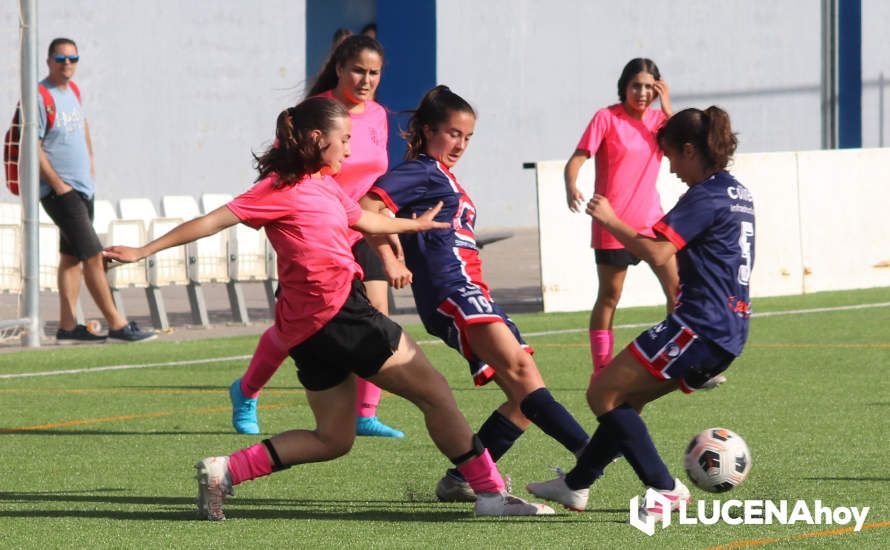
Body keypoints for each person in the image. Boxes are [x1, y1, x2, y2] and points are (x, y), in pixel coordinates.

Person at [103, 97, 554, 519]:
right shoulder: (277, 189)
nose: (350, 150)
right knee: (434, 392)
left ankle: (227, 471)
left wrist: (414, 224)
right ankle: (491, 493)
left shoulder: (326, 185)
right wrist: (144, 251)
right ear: (319, 139)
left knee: (333, 438)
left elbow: (367, 219)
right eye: (345, 141)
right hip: (341, 315)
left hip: (306, 331)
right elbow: (211, 221)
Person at [362, 85, 590, 503]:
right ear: (428, 130)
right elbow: (367, 207)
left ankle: (462, 479)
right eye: (453, 133)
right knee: (522, 375)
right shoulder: (423, 170)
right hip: (454, 292)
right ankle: (593, 457)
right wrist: (390, 260)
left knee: (525, 400)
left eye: (467, 137)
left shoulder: (442, 176)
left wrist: (400, 243)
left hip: (472, 293)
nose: (461, 144)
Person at [527, 106, 754, 521]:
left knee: (602, 393)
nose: (670, 169)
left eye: (670, 157)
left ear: (689, 150)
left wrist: (611, 220)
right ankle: (577, 484)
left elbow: (656, 251)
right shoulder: (736, 191)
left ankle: (665, 489)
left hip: (699, 326)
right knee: (626, 398)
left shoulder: (704, 196)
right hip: (729, 329)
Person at [227, 35, 405, 438]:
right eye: (358, 70)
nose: (365, 79)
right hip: (316, 231)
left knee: (379, 311)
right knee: (291, 330)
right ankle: (247, 391)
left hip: (360, 227)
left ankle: (365, 413)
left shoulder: (377, 116)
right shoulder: (312, 114)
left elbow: (377, 180)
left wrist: (389, 238)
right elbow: (282, 171)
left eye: (374, 73)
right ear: (340, 68)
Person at [563, 58, 678, 378]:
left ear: (657, 88)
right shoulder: (606, 118)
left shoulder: (660, 122)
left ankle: (677, 362)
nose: (641, 92)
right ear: (624, 87)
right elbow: (577, 159)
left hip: (652, 225)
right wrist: (571, 184)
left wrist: (667, 105)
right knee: (610, 297)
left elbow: (687, 137)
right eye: (635, 85)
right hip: (612, 225)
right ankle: (601, 369)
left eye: (648, 86)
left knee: (677, 291)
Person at [37, 37, 155, 344]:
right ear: (49, 60)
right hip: (59, 191)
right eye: (61, 58)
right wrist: (58, 184)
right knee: (92, 254)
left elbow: (82, 125)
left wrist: (89, 160)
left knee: (70, 257)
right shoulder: (39, 95)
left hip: (81, 188)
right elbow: (32, 146)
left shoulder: (72, 91)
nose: (67, 64)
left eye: (73, 58)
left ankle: (66, 327)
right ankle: (117, 324)